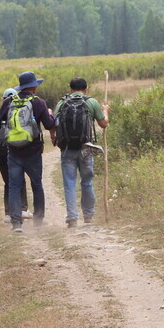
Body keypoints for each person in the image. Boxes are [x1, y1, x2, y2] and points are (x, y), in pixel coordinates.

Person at [0, 71, 55, 232]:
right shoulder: (39, 103)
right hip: (33, 152)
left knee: (14, 186)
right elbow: (49, 125)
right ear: (34, 86)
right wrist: (50, 114)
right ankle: (38, 220)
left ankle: (16, 223)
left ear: (21, 87)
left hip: (13, 152)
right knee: (37, 184)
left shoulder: (9, 101)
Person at [53, 77, 109, 227]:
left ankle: (72, 217)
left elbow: (54, 123)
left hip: (67, 149)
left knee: (69, 183)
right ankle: (88, 216)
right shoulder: (91, 102)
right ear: (86, 89)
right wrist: (105, 111)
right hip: (86, 148)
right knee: (87, 182)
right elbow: (103, 124)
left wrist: (55, 138)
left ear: (70, 89)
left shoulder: (62, 102)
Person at [0, 88, 30, 223]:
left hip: (2, 152)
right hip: (17, 150)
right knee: (21, 180)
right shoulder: (21, 111)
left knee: (8, 183)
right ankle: (23, 209)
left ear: (3, 99)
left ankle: (9, 213)